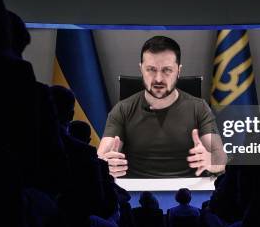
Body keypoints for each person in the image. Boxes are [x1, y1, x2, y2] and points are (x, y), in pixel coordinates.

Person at [97, 36, 226, 178]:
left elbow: (220, 157)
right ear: (141, 69)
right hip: (137, 194)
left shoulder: (199, 108)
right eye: (151, 69)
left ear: (179, 70)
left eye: (167, 70)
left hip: (188, 192)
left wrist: (210, 160)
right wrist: (106, 164)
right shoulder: (122, 109)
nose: (158, 79)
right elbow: (101, 158)